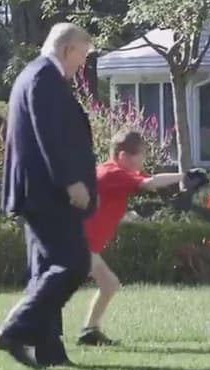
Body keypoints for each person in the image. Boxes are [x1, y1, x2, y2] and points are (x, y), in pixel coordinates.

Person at [0, 22, 97, 369]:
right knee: (73, 263)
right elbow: (48, 135)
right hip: (48, 192)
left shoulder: (34, 76)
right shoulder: (44, 79)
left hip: (38, 192)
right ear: (67, 49)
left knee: (46, 270)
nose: (84, 62)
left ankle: (49, 350)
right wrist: (70, 182)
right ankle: (16, 328)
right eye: (83, 53)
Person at [77, 130, 199, 346]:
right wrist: (185, 177)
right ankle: (19, 330)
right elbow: (150, 184)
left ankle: (89, 331)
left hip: (83, 243)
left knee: (108, 284)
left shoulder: (119, 174)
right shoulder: (114, 173)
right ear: (123, 156)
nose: (143, 159)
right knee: (56, 290)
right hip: (76, 242)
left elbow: (106, 208)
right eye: (140, 155)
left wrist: (130, 217)